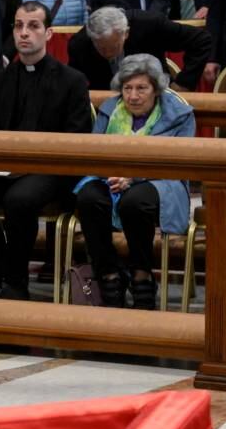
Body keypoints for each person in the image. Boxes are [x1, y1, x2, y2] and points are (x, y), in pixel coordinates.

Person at [0, 2, 92, 300]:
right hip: (4, 165)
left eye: (33, 26)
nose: (24, 33)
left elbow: (76, 137)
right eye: (18, 26)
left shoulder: (72, 81)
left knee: (20, 199)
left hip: (51, 169)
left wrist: (28, 165)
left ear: (49, 33)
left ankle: (16, 283)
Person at [73, 54, 194, 310]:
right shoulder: (109, 109)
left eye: (141, 88)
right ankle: (109, 275)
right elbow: (95, 151)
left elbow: (178, 160)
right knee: (89, 197)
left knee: (134, 202)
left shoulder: (180, 115)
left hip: (163, 180)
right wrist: (111, 174)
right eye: (127, 88)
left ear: (156, 90)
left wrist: (135, 177)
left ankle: (142, 275)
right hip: (110, 176)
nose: (133, 96)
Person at [67, 6, 211, 92]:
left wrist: (183, 83)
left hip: (157, 103)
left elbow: (201, 40)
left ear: (126, 33)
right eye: (101, 48)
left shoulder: (149, 24)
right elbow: (75, 85)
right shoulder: (79, 44)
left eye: (114, 46)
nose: (108, 54)